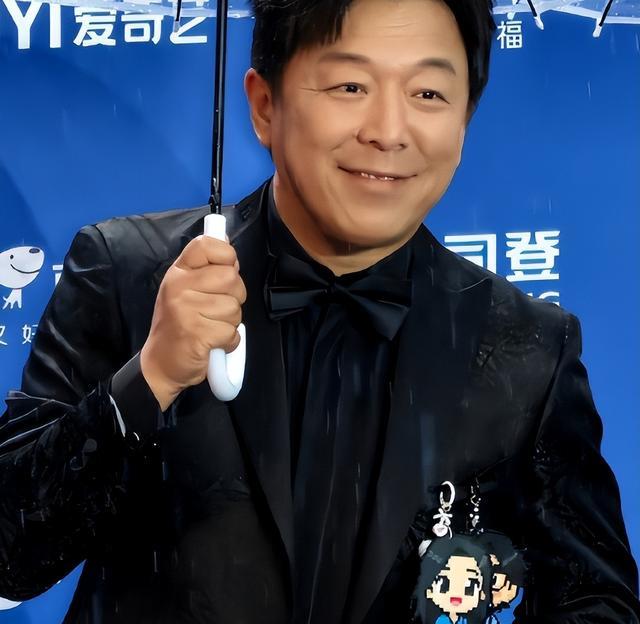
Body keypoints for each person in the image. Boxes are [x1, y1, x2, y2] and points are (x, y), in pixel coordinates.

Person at [0, 0, 638, 623]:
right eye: (350, 86)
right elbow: (10, 556)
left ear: (464, 120)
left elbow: (597, 600)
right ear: (264, 105)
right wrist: (150, 379)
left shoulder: (527, 345)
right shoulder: (127, 273)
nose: (388, 131)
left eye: (429, 94)